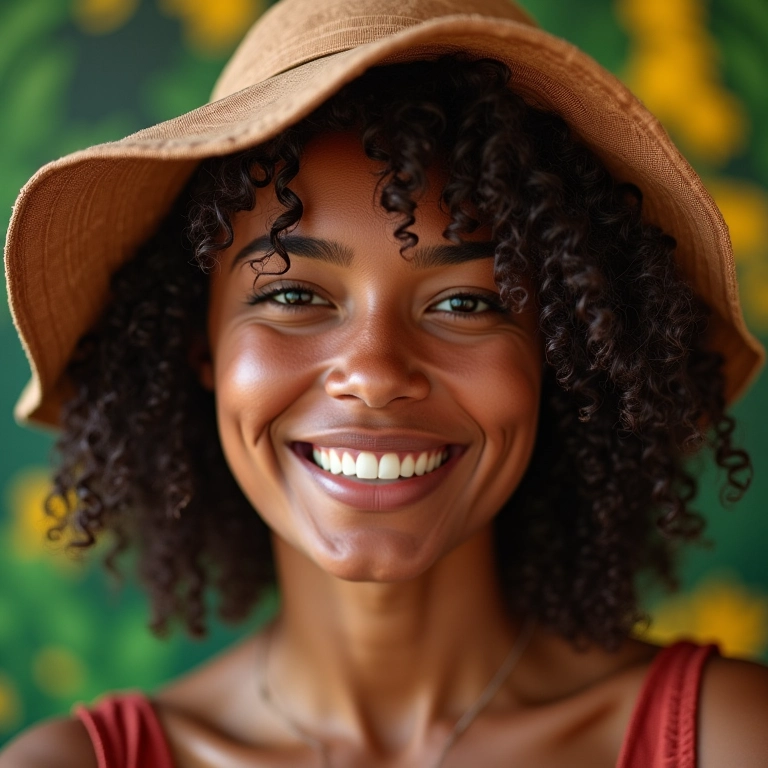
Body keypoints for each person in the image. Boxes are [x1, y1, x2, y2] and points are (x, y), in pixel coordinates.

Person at [3, 0, 768, 765]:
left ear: (558, 358)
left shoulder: (729, 741)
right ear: (197, 346)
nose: (374, 373)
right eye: (295, 295)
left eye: (466, 303)